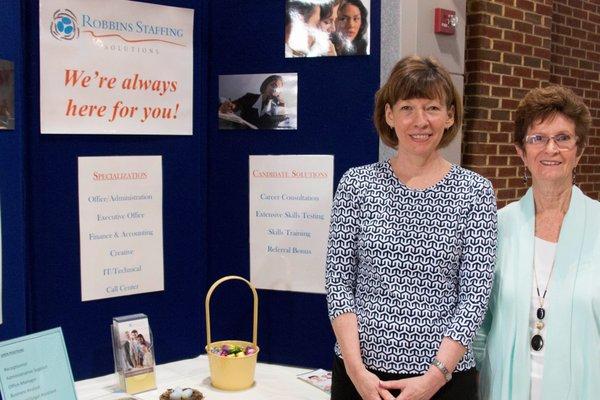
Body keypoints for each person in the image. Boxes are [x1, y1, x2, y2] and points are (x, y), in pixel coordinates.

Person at [325, 55, 497, 400]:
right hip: (362, 380)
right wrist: (356, 372)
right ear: (389, 115)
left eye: (432, 107)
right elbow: (338, 282)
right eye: (407, 108)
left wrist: (433, 379)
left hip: (444, 382)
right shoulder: (356, 185)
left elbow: (474, 295)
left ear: (450, 115)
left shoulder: (475, 192)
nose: (420, 121)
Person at [474, 85, 600, 400]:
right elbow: (478, 328)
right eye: (538, 138)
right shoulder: (498, 226)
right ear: (521, 152)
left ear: (579, 150)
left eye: (563, 138)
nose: (551, 149)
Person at [218, 75, 287, 129]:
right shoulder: (249, 96)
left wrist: (282, 104)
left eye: (278, 88)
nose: (274, 90)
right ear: (265, 85)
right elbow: (235, 105)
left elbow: (274, 125)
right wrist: (230, 106)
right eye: (273, 85)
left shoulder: (277, 106)